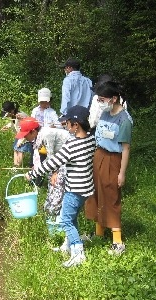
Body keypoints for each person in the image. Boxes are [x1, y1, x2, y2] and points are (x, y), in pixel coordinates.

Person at [24, 106, 95, 267]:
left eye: (68, 122)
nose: (65, 124)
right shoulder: (91, 139)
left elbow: (52, 163)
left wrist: (32, 174)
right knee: (72, 217)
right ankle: (67, 246)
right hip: (86, 188)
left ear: (76, 125)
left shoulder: (72, 146)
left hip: (74, 189)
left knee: (65, 220)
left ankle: (78, 253)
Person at [84, 81, 133, 256]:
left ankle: (117, 241)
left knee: (111, 195)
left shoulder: (124, 120)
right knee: (96, 192)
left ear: (113, 98)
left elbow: (126, 148)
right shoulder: (104, 113)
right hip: (98, 155)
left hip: (114, 159)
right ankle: (98, 232)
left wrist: (122, 172)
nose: (100, 102)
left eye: (102, 99)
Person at [14, 117, 70, 223]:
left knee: (57, 183)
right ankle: (48, 211)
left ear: (33, 131)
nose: (25, 137)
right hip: (60, 159)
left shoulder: (47, 134)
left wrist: (53, 173)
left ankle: (55, 217)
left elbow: (52, 159)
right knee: (51, 182)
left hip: (68, 160)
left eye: (26, 135)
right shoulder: (39, 135)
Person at [0, 101, 31, 167]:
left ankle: (18, 166)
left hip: (26, 136)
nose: (7, 116)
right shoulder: (13, 115)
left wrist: (20, 141)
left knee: (20, 150)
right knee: (15, 149)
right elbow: (13, 123)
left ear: (12, 110)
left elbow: (26, 129)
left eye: (7, 114)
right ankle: (15, 165)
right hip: (19, 135)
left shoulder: (21, 116)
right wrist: (7, 126)